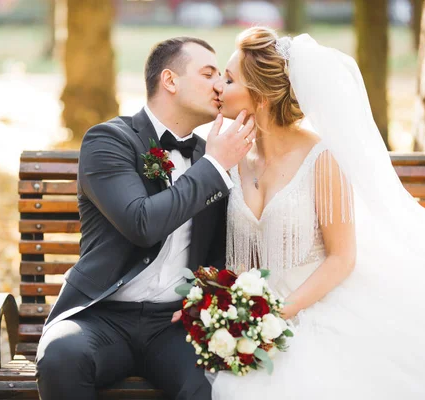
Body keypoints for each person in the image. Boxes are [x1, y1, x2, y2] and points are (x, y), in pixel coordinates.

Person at [209, 26, 425, 399]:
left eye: (229, 78)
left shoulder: (322, 159)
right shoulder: (231, 154)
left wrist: (279, 315)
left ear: (261, 98)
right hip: (253, 313)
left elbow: (342, 257)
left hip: (315, 303)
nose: (218, 86)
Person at [35, 36, 256, 399]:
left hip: (174, 324)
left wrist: (203, 300)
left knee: (214, 382)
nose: (220, 85)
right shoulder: (108, 141)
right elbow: (142, 224)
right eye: (208, 73)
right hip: (101, 316)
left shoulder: (210, 156)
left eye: (222, 76)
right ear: (170, 81)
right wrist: (216, 166)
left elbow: (220, 247)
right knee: (61, 356)